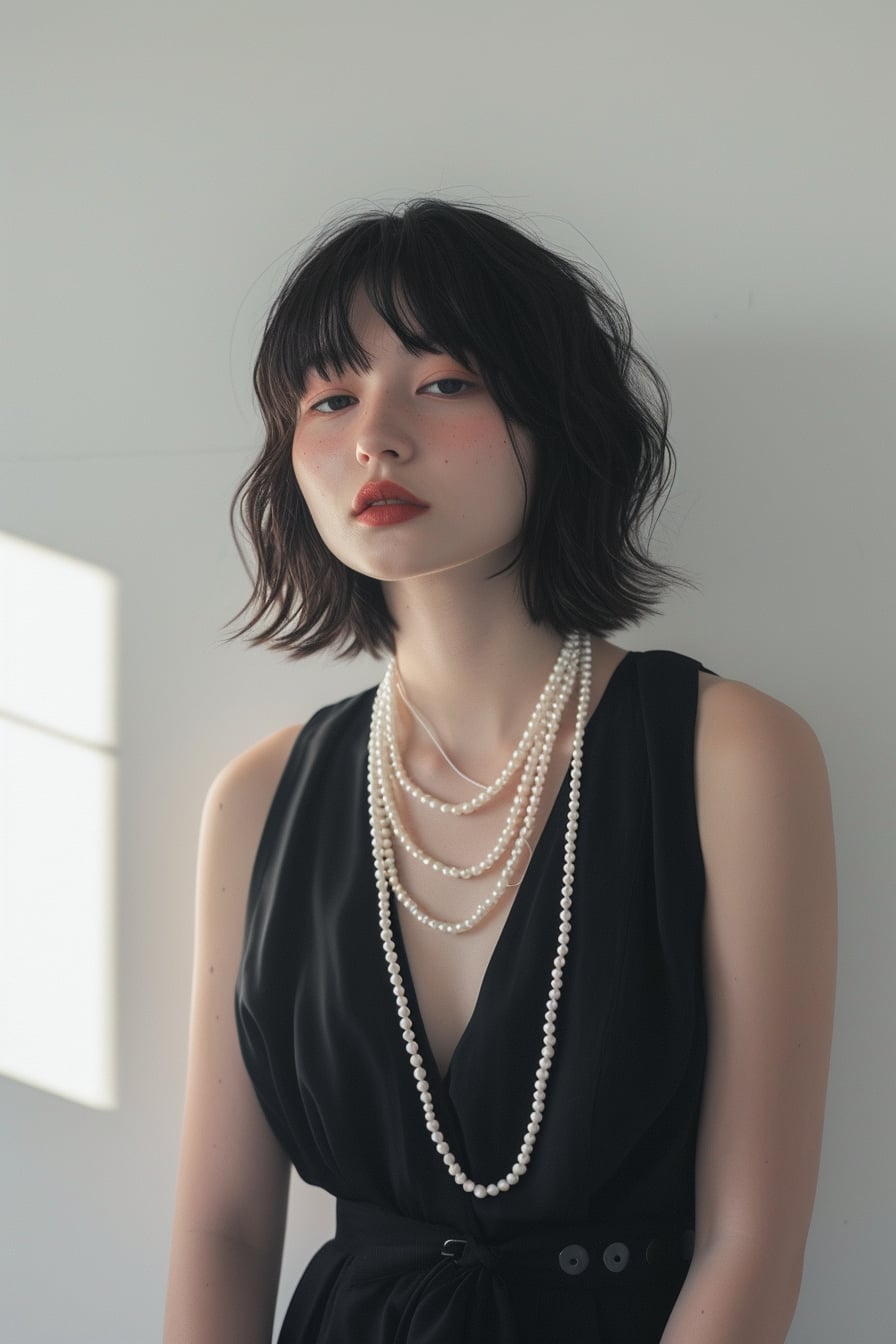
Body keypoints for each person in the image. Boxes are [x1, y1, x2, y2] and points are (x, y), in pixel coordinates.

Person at [162, 199, 838, 1344]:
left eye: (444, 382)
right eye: (330, 398)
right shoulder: (261, 798)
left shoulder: (729, 752)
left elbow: (751, 1234)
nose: (375, 435)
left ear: (554, 419)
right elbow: (225, 1226)